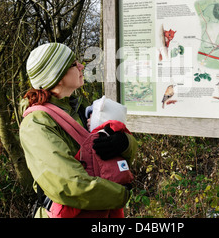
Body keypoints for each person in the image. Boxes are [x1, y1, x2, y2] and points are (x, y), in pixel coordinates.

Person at [19, 42, 137, 218]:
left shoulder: (80, 109)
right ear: (57, 76)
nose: (81, 66)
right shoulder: (36, 123)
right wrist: (122, 194)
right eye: (73, 64)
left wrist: (124, 144)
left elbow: (118, 157)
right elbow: (67, 184)